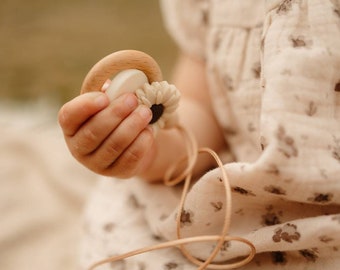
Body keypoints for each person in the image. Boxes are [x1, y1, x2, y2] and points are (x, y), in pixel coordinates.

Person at [58, 0, 340, 269]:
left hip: (329, 227)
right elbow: (202, 109)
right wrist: (149, 147)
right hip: (232, 213)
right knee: (120, 228)